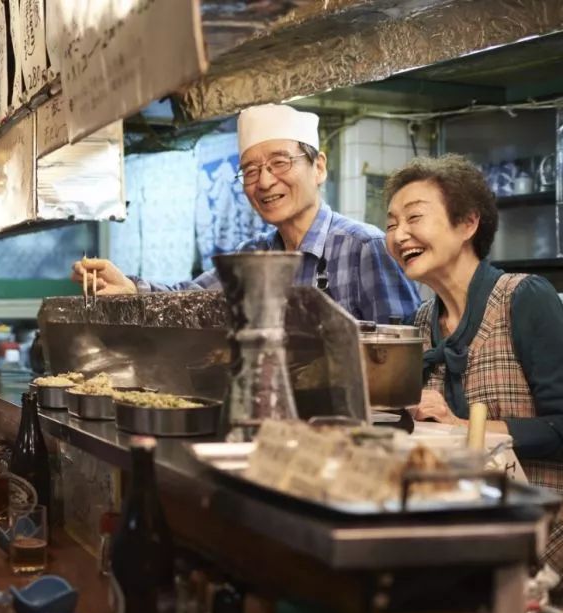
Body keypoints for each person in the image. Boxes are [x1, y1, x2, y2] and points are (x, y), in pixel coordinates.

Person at [71, 103, 421, 324]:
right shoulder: (255, 256)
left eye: (280, 162)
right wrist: (130, 288)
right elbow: (186, 301)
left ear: (319, 167)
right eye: (250, 171)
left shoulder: (365, 247)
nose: (265, 181)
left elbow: (404, 358)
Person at [383, 153, 563, 561]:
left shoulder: (525, 297)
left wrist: (461, 427)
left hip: (543, 543)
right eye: (392, 223)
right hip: (469, 540)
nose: (398, 235)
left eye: (414, 218)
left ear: (467, 223)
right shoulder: (422, 319)